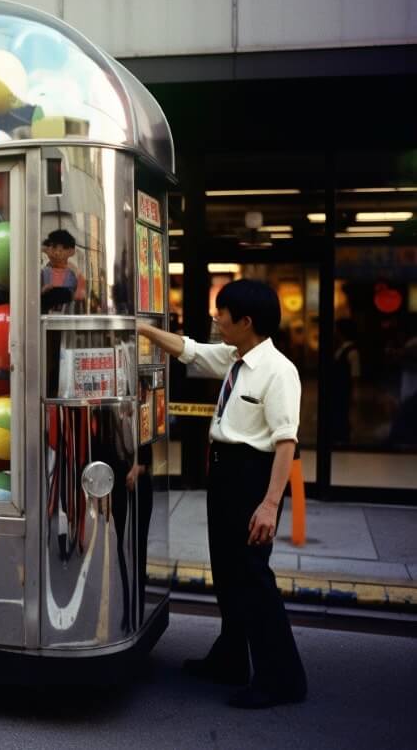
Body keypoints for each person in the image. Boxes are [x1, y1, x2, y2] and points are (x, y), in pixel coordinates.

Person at [139, 279, 307, 709]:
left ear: (246, 321)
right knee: (228, 575)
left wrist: (270, 504)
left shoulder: (278, 371)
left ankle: (281, 680)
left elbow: (286, 442)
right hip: (225, 475)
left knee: (253, 578)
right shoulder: (237, 358)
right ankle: (231, 658)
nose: (216, 319)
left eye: (222, 312)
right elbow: (188, 349)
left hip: (254, 478)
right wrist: (141, 329)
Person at [40, 229, 85, 313]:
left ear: (71, 252)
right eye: (53, 247)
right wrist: (43, 291)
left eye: (61, 250)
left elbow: (80, 295)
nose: (57, 253)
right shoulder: (43, 272)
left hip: (67, 315)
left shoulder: (75, 274)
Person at [332, 318, 360, 445]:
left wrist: (355, 392)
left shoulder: (352, 351)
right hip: (338, 388)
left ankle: (343, 438)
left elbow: (355, 374)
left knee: (343, 414)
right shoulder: (341, 349)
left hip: (344, 389)